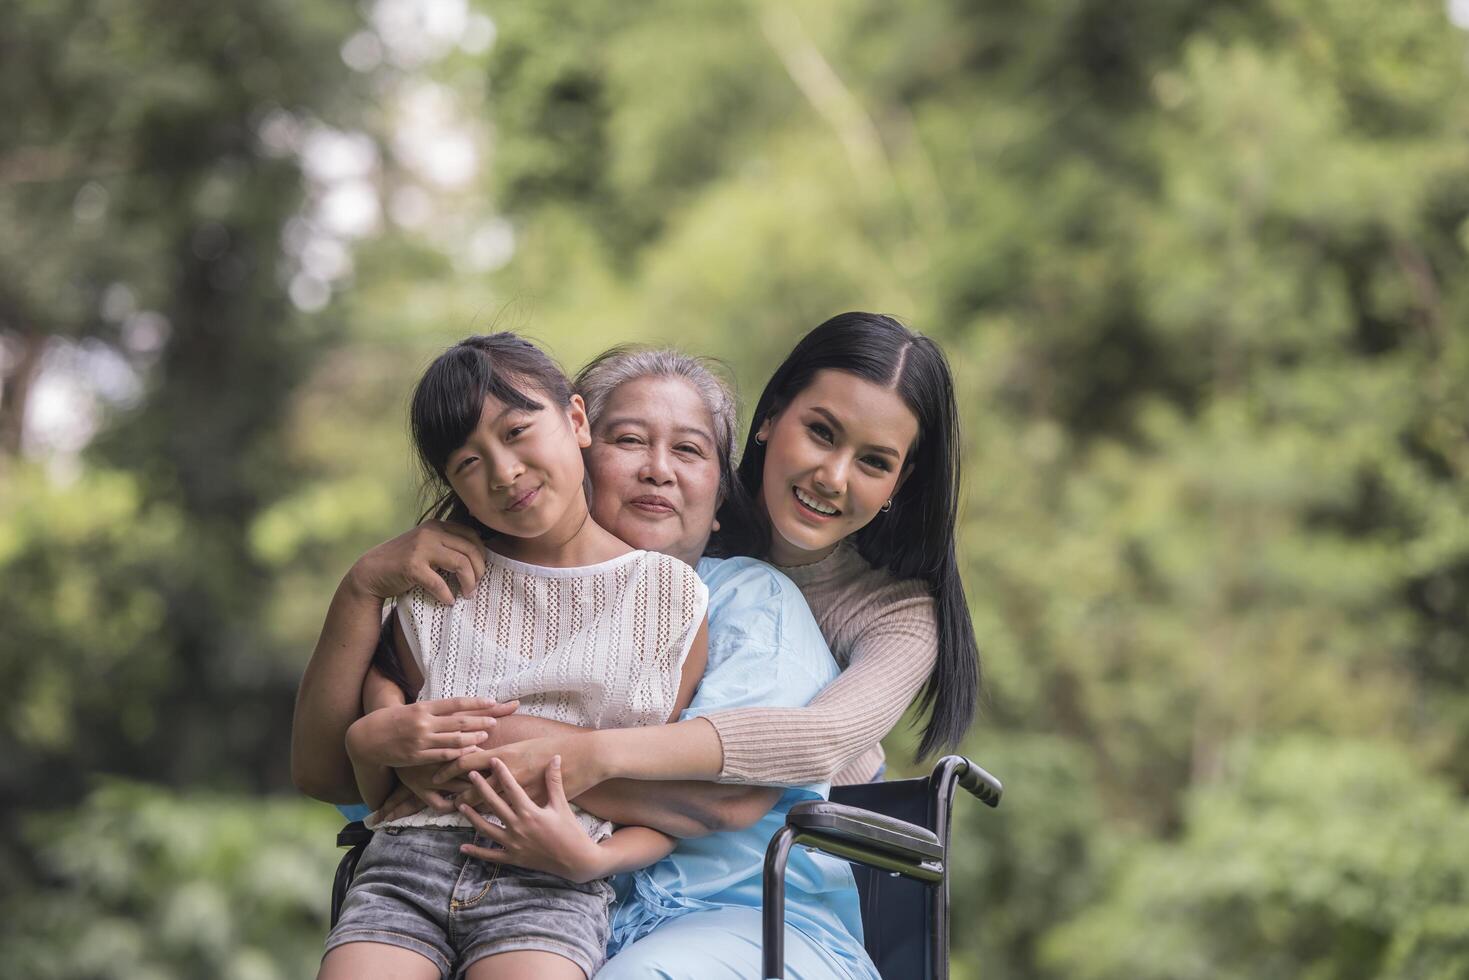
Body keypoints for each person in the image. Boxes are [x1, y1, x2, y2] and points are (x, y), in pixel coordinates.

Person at [441, 312, 979, 797]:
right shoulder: (679, 527)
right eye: (821, 432)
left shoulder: (899, 613)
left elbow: (823, 740)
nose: (833, 478)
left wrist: (593, 755)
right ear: (769, 419)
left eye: (874, 463)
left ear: (898, 483)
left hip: (802, 844)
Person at [315, 334, 711, 980]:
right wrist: (371, 740)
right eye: (468, 464)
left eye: (518, 432)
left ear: (576, 421)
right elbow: (388, 785)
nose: (503, 472)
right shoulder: (437, 585)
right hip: (405, 869)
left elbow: (665, 803)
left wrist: (592, 861)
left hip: (550, 881)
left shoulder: (668, 599)